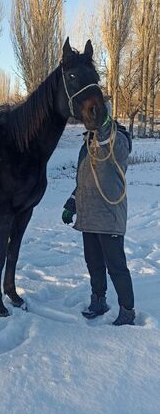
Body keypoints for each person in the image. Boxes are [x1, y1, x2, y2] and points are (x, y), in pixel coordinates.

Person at [62, 108, 135, 326]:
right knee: (93, 263)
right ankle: (98, 300)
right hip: (89, 215)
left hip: (109, 216)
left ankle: (127, 310)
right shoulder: (87, 144)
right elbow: (84, 179)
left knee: (116, 266)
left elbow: (118, 151)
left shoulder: (119, 139)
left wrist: (104, 125)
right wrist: (72, 203)